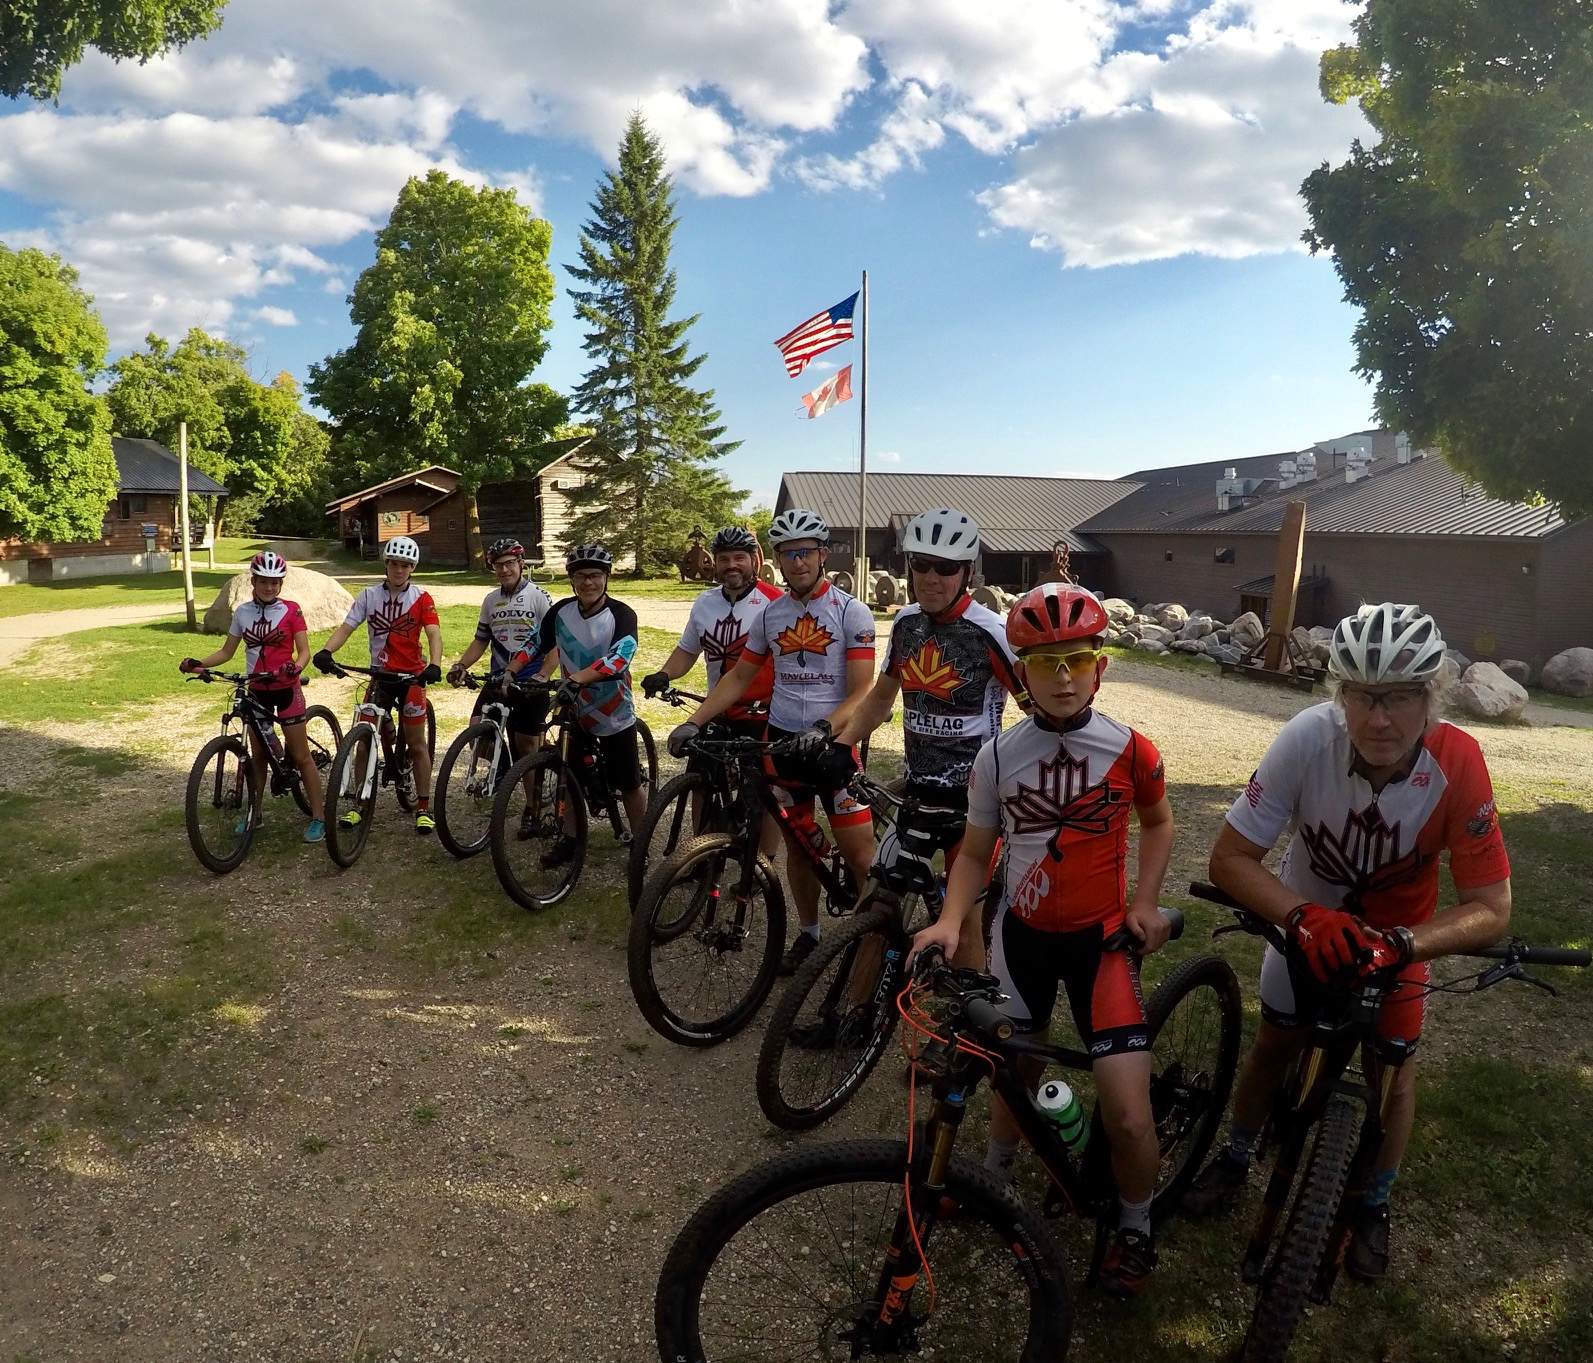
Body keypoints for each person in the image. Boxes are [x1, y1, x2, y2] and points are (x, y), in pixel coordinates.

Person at [1181, 602, 1511, 1283]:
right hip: (1307, 916)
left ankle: (1373, 1203)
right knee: (1275, 1040)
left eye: (1397, 697)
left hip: (1399, 939)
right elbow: (1229, 859)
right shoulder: (1307, 738)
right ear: (1340, 695)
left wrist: (1405, 943)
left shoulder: (1459, 762)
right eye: (1361, 694)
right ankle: (1239, 1154)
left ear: (1430, 698)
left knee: (1392, 1074)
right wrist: (1300, 915)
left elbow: (1490, 907)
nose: (1378, 717)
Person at [910, 582, 1175, 1297]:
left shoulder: (1129, 749)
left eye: (1077, 660)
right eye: (1044, 662)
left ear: (1100, 668)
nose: (1062, 677)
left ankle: (1134, 1222)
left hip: (1099, 945)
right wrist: (946, 919)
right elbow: (973, 851)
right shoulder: (997, 756)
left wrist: (1144, 900)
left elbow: (1159, 823)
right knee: (1012, 1074)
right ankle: (995, 1177)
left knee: (1124, 1111)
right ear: (1018, 672)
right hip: (1019, 937)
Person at [670, 508, 876, 975]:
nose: (798, 562)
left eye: (805, 552)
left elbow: (862, 689)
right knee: (801, 850)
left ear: (823, 555)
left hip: (835, 745)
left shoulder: (851, 611)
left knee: (860, 855)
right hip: (783, 743)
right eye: (789, 554)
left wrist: (826, 731)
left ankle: (870, 946)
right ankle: (809, 934)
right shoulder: (771, 614)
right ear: (777, 560)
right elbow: (740, 674)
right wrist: (697, 721)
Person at [834, 507, 1026, 968]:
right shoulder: (906, 624)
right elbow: (880, 700)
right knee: (875, 906)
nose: (931, 577)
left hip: (974, 806)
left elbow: (1036, 712)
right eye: (921, 564)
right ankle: (854, 1018)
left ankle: (966, 1028)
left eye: (946, 567)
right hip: (917, 795)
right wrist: (838, 747)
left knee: (966, 924)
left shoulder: (991, 632)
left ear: (967, 573)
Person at [179, 549, 327, 842]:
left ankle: (320, 816)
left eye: (274, 582)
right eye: (263, 581)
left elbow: (305, 651)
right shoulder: (243, 612)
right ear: (254, 582)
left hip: (286, 688)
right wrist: (199, 664)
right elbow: (226, 651)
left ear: (281, 584)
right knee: (258, 756)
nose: (269, 587)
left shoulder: (292, 610)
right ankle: (254, 814)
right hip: (257, 690)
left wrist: (294, 668)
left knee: (300, 756)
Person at [312, 535, 444, 835]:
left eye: (405, 566)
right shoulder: (369, 596)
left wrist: (434, 664)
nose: (399, 570)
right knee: (363, 740)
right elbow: (347, 627)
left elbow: (434, 633)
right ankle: (360, 804)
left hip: (411, 679)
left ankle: (423, 807)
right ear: (387, 565)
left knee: (417, 745)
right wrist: (327, 651)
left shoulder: (422, 598)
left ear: (412, 568)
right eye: (394, 564)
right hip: (380, 676)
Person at [527, 543, 645, 862]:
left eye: (595, 575)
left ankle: (641, 843)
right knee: (571, 773)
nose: (588, 583)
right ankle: (570, 839)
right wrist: (510, 672)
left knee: (630, 782)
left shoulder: (621, 614)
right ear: (572, 580)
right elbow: (535, 644)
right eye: (580, 576)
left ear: (606, 578)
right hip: (575, 707)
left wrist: (578, 678)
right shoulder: (560, 612)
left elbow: (620, 658)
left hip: (614, 710)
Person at [641, 525, 782, 737]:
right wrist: (664, 673)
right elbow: (688, 650)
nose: (731, 565)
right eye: (724, 559)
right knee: (699, 764)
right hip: (715, 710)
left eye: (739, 558)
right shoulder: (705, 602)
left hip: (762, 715)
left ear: (753, 560)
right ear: (715, 562)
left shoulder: (776, 602)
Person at [446, 538, 554, 810]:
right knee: (476, 733)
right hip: (498, 677)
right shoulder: (490, 600)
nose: (504, 570)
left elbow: (555, 644)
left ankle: (533, 808)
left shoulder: (539, 597)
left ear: (520, 564)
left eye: (509, 564)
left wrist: (544, 674)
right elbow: (481, 640)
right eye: (498, 565)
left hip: (529, 679)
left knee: (526, 747)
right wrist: (462, 665)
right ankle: (505, 767)